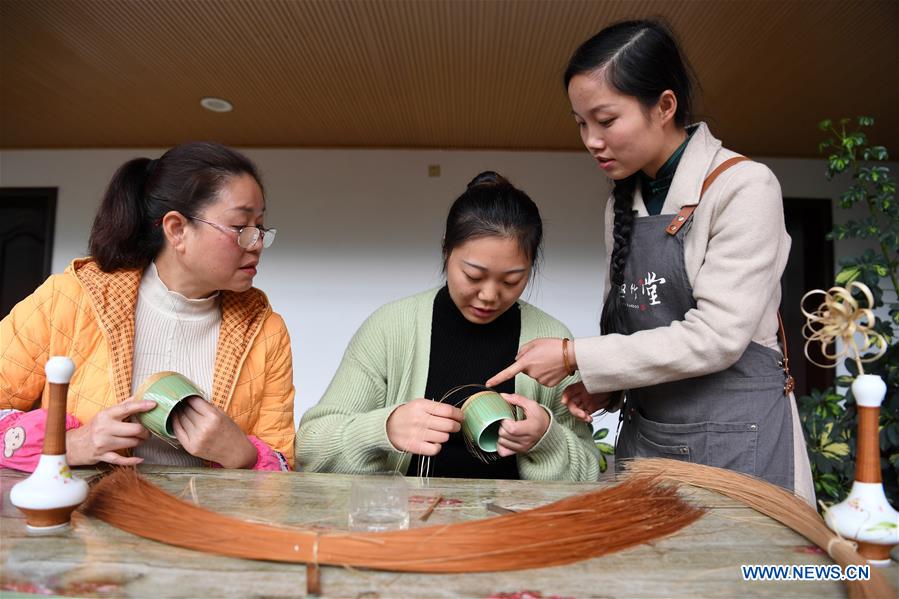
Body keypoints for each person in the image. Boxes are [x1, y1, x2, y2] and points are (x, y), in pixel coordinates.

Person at [486, 20, 814, 502]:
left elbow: (717, 337)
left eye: (606, 120)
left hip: (737, 442)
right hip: (652, 439)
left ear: (664, 106)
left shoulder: (744, 187)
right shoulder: (623, 201)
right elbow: (637, 335)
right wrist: (609, 387)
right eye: (581, 123)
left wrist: (576, 356)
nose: (591, 140)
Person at [1, 142, 295, 471]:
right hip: (84, 516)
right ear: (177, 229)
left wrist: (244, 456)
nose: (256, 244)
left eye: (260, 228)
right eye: (241, 228)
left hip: (205, 521)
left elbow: (284, 466)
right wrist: (70, 444)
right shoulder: (69, 299)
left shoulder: (266, 331)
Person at [296, 172, 599, 480]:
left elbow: (589, 472)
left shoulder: (552, 342)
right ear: (445, 250)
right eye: (473, 276)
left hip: (513, 524)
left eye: (511, 280)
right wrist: (383, 429)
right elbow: (311, 450)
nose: (489, 296)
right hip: (408, 524)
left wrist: (546, 439)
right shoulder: (391, 328)